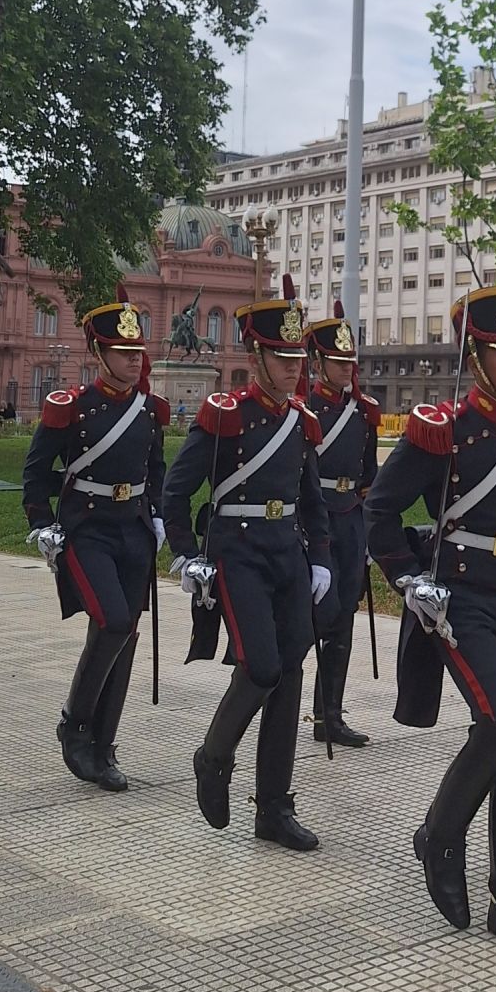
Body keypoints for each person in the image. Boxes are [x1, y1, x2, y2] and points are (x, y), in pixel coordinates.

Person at [364, 268, 496, 954]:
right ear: (475, 357)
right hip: (462, 598)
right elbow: (379, 511)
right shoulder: (442, 430)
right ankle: (440, 834)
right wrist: (407, 581)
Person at [160, 276, 332, 850]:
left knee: (290, 673)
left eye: (298, 358)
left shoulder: (300, 420)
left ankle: (274, 808)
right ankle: (214, 756)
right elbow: (176, 491)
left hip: (288, 554)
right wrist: (186, 553)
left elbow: (312, 499)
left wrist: (321, 558)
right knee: (260, 667)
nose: (294, 368)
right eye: (282, 358)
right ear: (256, 356)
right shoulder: (225, 415)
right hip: (237, 552)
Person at [22, 286, 168, 791]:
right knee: (112, 621)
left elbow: (156, 469)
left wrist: (158, 514)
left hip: (134, 529)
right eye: (122, 351)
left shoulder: (149, 410)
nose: (133, 360)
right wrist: (41, 522)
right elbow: (36, 470)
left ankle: (104, 743)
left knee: (125, 634)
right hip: (88, 528)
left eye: (137, 351)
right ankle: (74, 724)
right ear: (98, 353)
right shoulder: (72, 407)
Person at [304, 298, 380, 748]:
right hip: (315, 519)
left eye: (350, 361)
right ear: (318, 363)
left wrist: (368, 531)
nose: (347, 369)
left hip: (350, 518)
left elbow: (369, 475)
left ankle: (328, 713)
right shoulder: (305, 407)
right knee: (320, 613)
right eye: (338, 362)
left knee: (345, 614)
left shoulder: (364, 412)